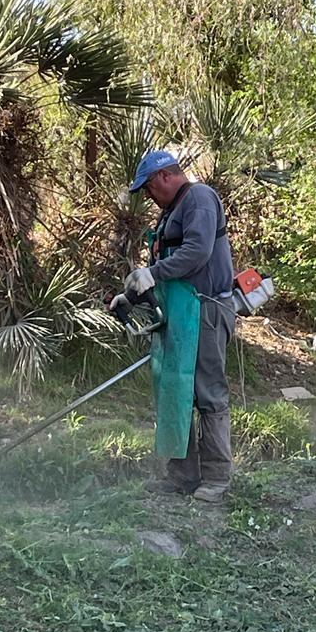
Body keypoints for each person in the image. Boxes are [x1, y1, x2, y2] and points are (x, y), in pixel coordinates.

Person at [124, 150, 235, 502]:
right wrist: (130, 296)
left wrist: (152, 273)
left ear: (164, 177)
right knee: (175, 390)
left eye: (149, 188)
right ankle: (181, 476)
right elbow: (163, 266)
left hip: (204, 310)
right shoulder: (170, 212)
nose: (149, 196)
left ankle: (216, 479)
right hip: (178, 311)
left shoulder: (199, 198)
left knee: (206, 391)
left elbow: (197, 253)